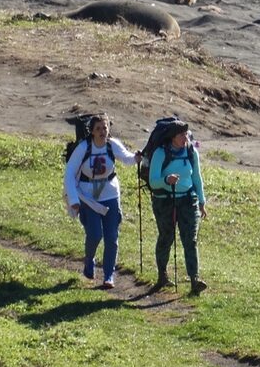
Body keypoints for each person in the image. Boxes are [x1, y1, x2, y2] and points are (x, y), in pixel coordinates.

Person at [63, 113, 137, 289]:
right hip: (88, 198)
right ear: (92, 131)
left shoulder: (112, 145)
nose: (103, 131)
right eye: (99, 129)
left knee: (112, 237)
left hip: (111, 194)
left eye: (105, 128)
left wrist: (137, 157)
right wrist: (73, 199)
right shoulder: (83, 148)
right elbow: (69, 174)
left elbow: (127, 158)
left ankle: (109, 275)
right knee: (95, 235)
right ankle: (89, 259)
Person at [149, 122, 208, 295]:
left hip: (188, 200)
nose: (186, 138)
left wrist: (202, 201)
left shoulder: (191, 152)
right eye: (182, 135)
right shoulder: (160, 153)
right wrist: (166, 180)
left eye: (187, 134)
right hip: (164, 201)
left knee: (190, 239)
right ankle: (162, 275)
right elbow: (153, 181)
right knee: (166, 238)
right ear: (172, 137)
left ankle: (194, 280)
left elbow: (197, 177)